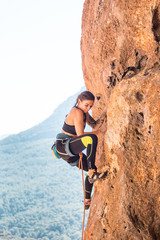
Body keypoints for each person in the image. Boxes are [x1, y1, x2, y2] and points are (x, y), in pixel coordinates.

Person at [55, 90, 107, 209]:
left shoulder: (84, 113)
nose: (88, 108)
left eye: (90, 106)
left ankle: (87, 200)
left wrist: (106, 110)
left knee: (89, 169)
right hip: (64, 146)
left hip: (69, 150)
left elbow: (95, 124)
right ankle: (93, 172)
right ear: (79, 101)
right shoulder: (76, 112)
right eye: (86, 105)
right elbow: (80, 135)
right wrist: (98, 133)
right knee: (91, 138)